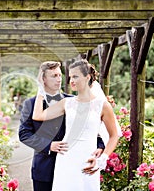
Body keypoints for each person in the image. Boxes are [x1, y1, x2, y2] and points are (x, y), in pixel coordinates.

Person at [32, 59, 119, 191]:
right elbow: (38, 116)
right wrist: (40, 91)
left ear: (87, 77)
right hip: (65, 159)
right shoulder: (67, 103)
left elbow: (114, 135)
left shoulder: (102, 105)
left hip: (88, 159)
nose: (71, 80)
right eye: (70, 77)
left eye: (75, 76)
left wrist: (103, 159)